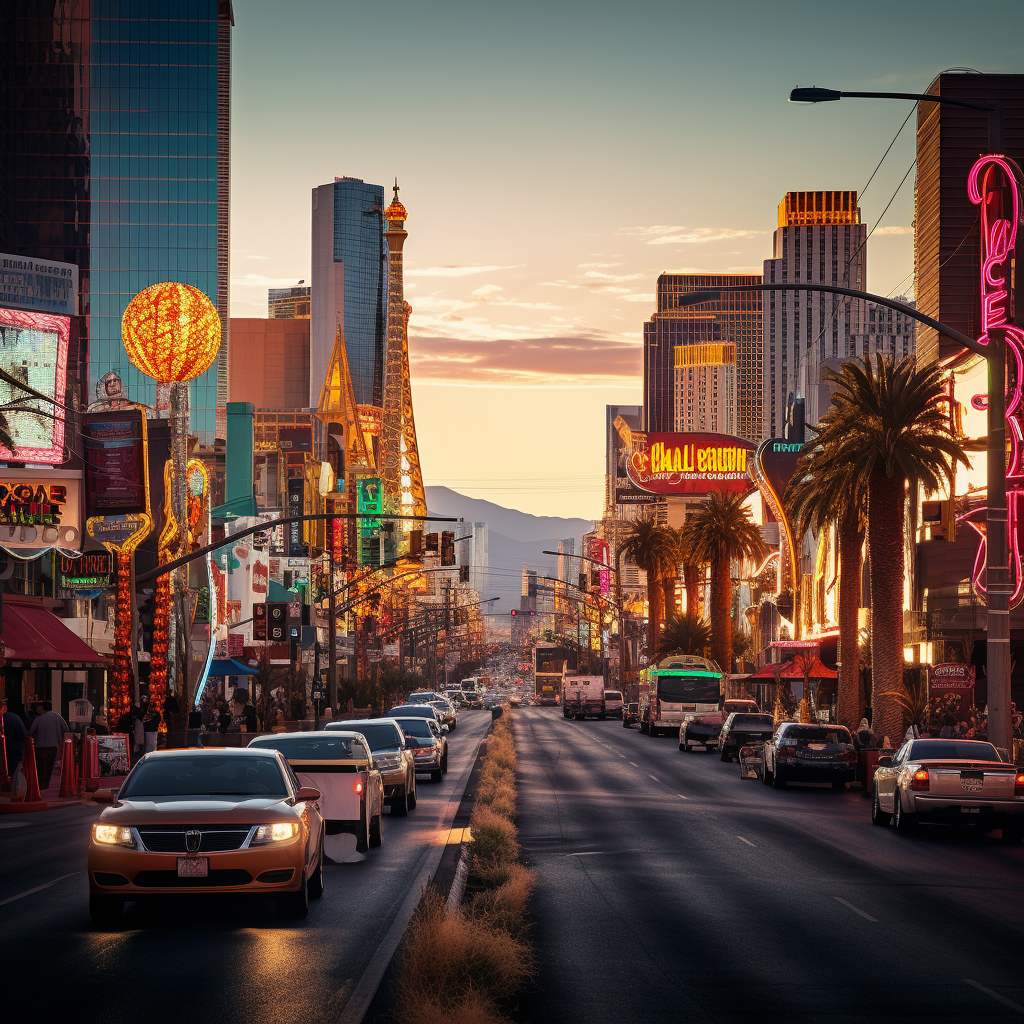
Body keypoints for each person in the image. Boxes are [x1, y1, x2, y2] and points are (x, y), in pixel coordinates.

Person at [28, 700, 68, 789]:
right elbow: (65, 729)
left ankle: (41, 783)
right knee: (49, 765)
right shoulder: (58, 717)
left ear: (43, 708)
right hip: (53, 745)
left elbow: (31, 732)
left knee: (41, 766)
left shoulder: (38, 719)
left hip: (40, 746)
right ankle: (47, 782)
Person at [2, 700, 27, 781]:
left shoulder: (4, 719)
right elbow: (24, 734)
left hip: (7, 749)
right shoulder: (15, 717)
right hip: (17, 748)